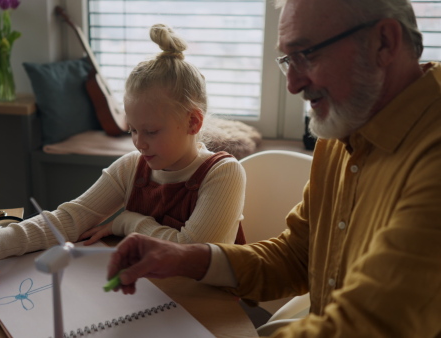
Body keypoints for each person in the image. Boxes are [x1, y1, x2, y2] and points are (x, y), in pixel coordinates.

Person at [107, 0, 441, 337]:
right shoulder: (344, 128)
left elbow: (372, 323)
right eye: (287, 60)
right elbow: (297, 256)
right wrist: (186, 258)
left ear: (383, 42)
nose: (292, 85)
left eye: (307, 54)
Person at [0, 24, 247, 285]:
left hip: (206, 308)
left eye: (151, 131)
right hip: (150, 295)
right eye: (132, 130)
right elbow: (69, 219)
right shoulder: (132, 167)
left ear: (192, 122)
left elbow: (189, 253)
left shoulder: (223, 174)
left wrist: (127, 222)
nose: (139, 143)